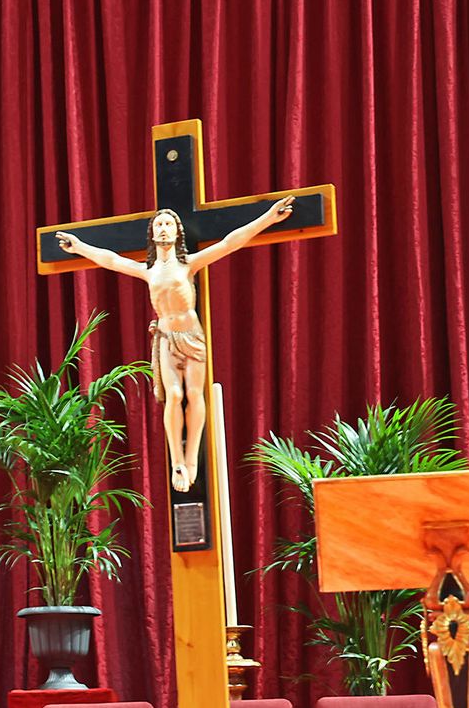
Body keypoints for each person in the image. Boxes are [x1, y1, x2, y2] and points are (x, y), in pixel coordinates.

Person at [55, 196, 294, 492]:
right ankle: (177, 460)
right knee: (174, 394)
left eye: (169, 224)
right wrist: (78, 247)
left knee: (194, 394)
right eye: (159, 225)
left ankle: (192, 459)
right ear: (153, 234)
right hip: (166, 338)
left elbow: (231, 243)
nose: (164, 229)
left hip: (191, 336)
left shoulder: (188, 264)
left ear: (178, 232)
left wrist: (269, 218)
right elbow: (111, 259)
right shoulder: (148, 271)